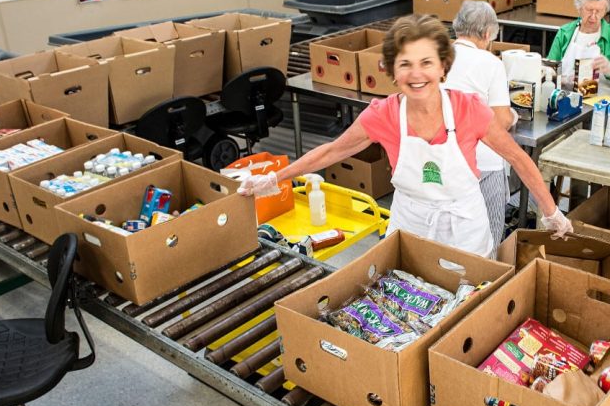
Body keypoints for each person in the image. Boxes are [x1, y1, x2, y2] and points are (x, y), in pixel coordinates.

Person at [238, 15, 572, 258]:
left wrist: (551, 211)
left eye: (426, 62)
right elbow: (331, 152)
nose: (416, 74)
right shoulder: (383, 115)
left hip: (465, 229)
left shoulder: (468, 109)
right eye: (405, 64)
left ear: (443, 66)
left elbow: (517, 157)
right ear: (390, 70)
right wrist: (274, 179)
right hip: (410, 225)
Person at [442, 0, 512, 247]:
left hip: (444, 158)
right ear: (486, 34)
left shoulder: (438, 56)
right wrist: (513, 116)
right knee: (488, 235)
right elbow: (501, 120)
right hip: (482, 162)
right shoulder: (491, 63)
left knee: (449, 233)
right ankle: (488, 280)